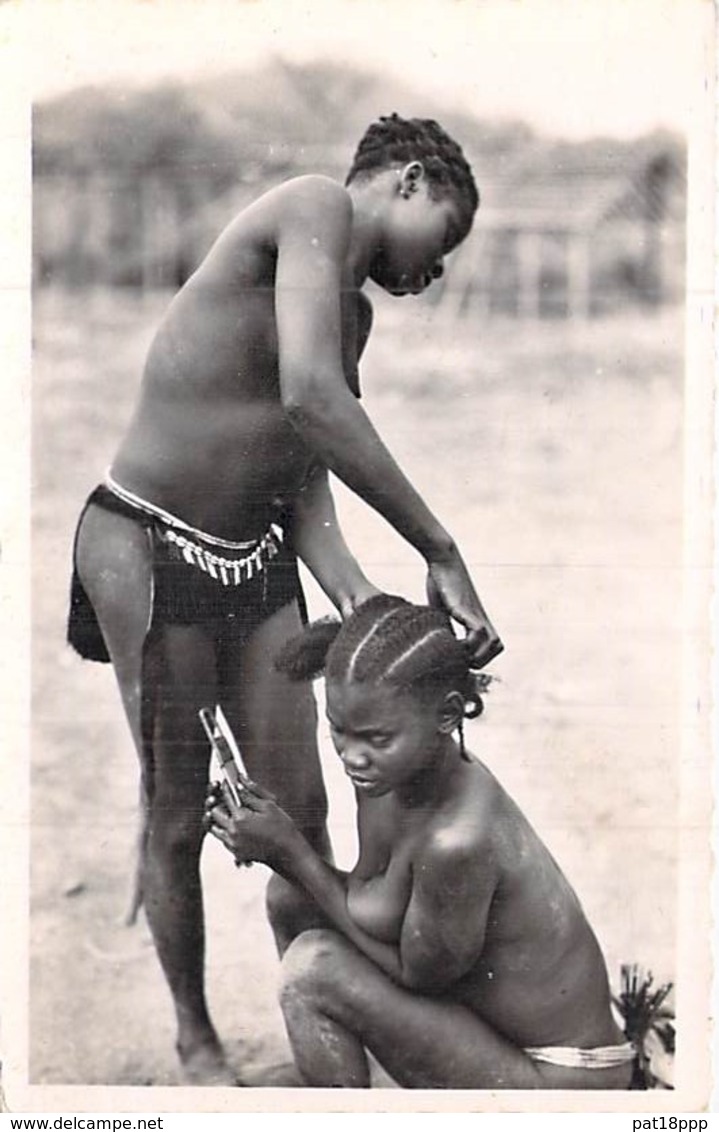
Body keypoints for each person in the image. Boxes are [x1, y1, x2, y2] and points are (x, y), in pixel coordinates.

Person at [67, 114, 503, 1084]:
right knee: (178, 809)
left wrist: (356, 595)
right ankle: (196, 1038)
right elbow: (312, 396)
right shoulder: (310, 208)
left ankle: (320, 1015)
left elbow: (300, 468)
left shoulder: (351, 313)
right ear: (406, 179)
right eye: (447, 233)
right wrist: (439, 548)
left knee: (298, 810)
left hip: (252, 553)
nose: (434, 274)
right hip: (145, 538)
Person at [205, 594, 634, 1090]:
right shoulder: (387, 777)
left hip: (557, 1075)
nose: (353, 756)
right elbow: (370, 905)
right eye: (338, 731)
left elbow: (417, 974)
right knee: (289, 897)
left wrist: (292, 853)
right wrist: (271, 843)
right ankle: (339, 1079)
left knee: (312, 971)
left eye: (377, 738)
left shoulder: (458, 839)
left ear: (448, 716)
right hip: (484, 1026)